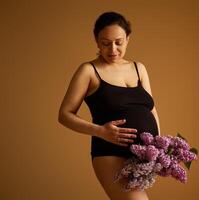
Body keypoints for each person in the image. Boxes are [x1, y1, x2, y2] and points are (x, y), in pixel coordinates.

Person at [58, 11, 161, 200]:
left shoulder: (139, 68)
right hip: (110, 153)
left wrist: (158, 146)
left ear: (128, 39)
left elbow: (150, 109)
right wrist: (100, 131)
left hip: (141, 155)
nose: (112, 49)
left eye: (118, 42)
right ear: (97, 41)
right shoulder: (89, 71)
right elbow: (65, 114)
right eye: (105, 43)